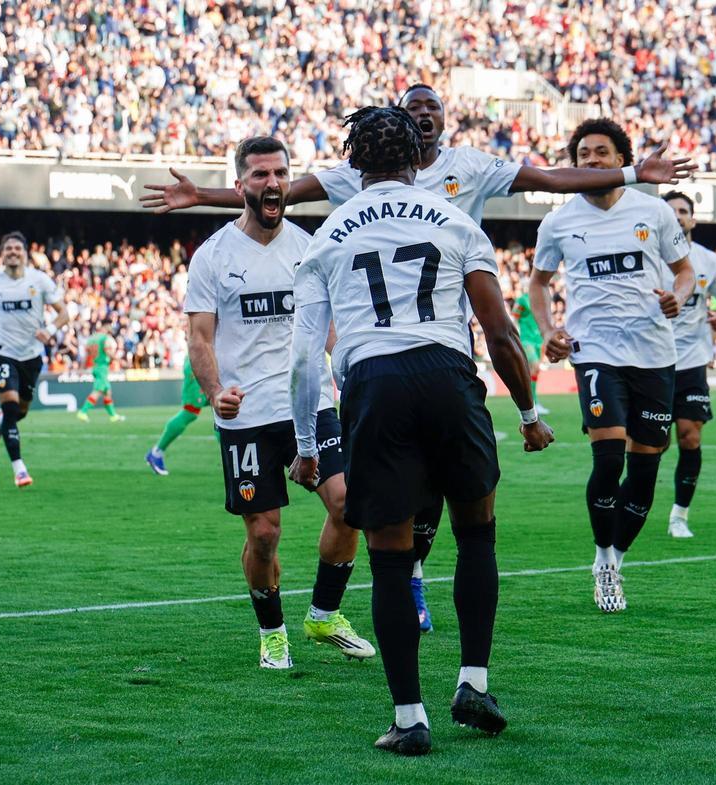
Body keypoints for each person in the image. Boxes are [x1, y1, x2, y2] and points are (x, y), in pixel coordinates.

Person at [143, 82, 695, 632]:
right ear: (404, 130)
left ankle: (392, 598)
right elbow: (277, 192)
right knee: (423, 492)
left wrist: (632, 175)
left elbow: (549, 180)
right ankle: (413, 595)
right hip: (383, 351)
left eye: (434, 105)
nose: (425, 113)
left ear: (442, 121)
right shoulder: (357, 184)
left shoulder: (468, 167)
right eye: (415, 108)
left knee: (426, 481)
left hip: (445, 343)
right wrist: (207, 197)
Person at [288, 106, 554, 755]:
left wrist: (304, 446)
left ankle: (410, 718)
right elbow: (499, 333)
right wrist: (527, 412)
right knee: (476, 533)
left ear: (355, 164)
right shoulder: (457, 221)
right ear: (417, 159)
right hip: (447, 374)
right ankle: (474, 682)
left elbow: (303, 359)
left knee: (390, 557)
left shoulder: (327, 236)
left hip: (375, 385)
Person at [183, 135, 375, 670]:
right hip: (246, 414)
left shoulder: (310, 246)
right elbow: (200, 337)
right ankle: (272, 632)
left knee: (348, 503)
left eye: (280, 174)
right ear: (240, 183)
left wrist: (359, 370)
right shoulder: (213, 255)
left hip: (310, 403)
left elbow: (332, 327)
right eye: (261, 175)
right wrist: (215, 391)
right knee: (264, 533)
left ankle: (323, 613)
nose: (273, 183)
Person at [529, 119, 694, 614]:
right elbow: (538, 284)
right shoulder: (558, 221)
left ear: (623, 161)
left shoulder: (654, 212)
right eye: (584, 154)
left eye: (602, 152)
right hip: (595, 352)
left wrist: (677, 299)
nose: (593, 161)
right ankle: (602, 561)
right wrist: (550, 329)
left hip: (654, 354)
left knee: (644, 473)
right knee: (609, 460)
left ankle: (616, 557)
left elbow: (684, 273)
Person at [0, 231, 70, 487]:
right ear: (2, 253)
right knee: (10, 406)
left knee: (20, 411)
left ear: (25, 253)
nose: (12, 252)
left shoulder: (40, 281)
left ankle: (0, 421)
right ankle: (19, 469)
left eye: (17, 248)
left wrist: (50, 330)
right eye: (8, 248)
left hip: (31, 355)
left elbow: (63, 313)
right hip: (2, 351)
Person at [662, 192, 716, 537]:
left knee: (690, 437)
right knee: (653, 444)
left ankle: (680, 515)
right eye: (670, 211)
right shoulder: (646, 258)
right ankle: (634, 504)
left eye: (683, 211)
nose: (677, 216)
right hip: (651, 361)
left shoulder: (709, 261)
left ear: (693, 220)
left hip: (692, 360)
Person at [145, 356, 212, 475]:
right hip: (199, 360)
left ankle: (230, 455)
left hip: (210, 360)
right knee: (189, 412)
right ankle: (156, 452)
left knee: (221, 409)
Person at [512, 288, 549, 416]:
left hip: (538, 339)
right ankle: (529, 403)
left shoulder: (541, 298)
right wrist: (515, 336)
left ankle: (534, 403)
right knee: (534, 366)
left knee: (535, 371)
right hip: (526, 339)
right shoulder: (522, 300)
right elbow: (514, 318)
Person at [76, 328, 125, 422]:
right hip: (102, 367)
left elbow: (86, 355)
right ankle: (83, 412)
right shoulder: (104, 338)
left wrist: (82, 368)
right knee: (97, 391)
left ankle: (113, 416)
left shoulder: (90, 340)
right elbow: (107, 351)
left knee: (108, 392)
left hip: (95, 366)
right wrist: (118, 360)